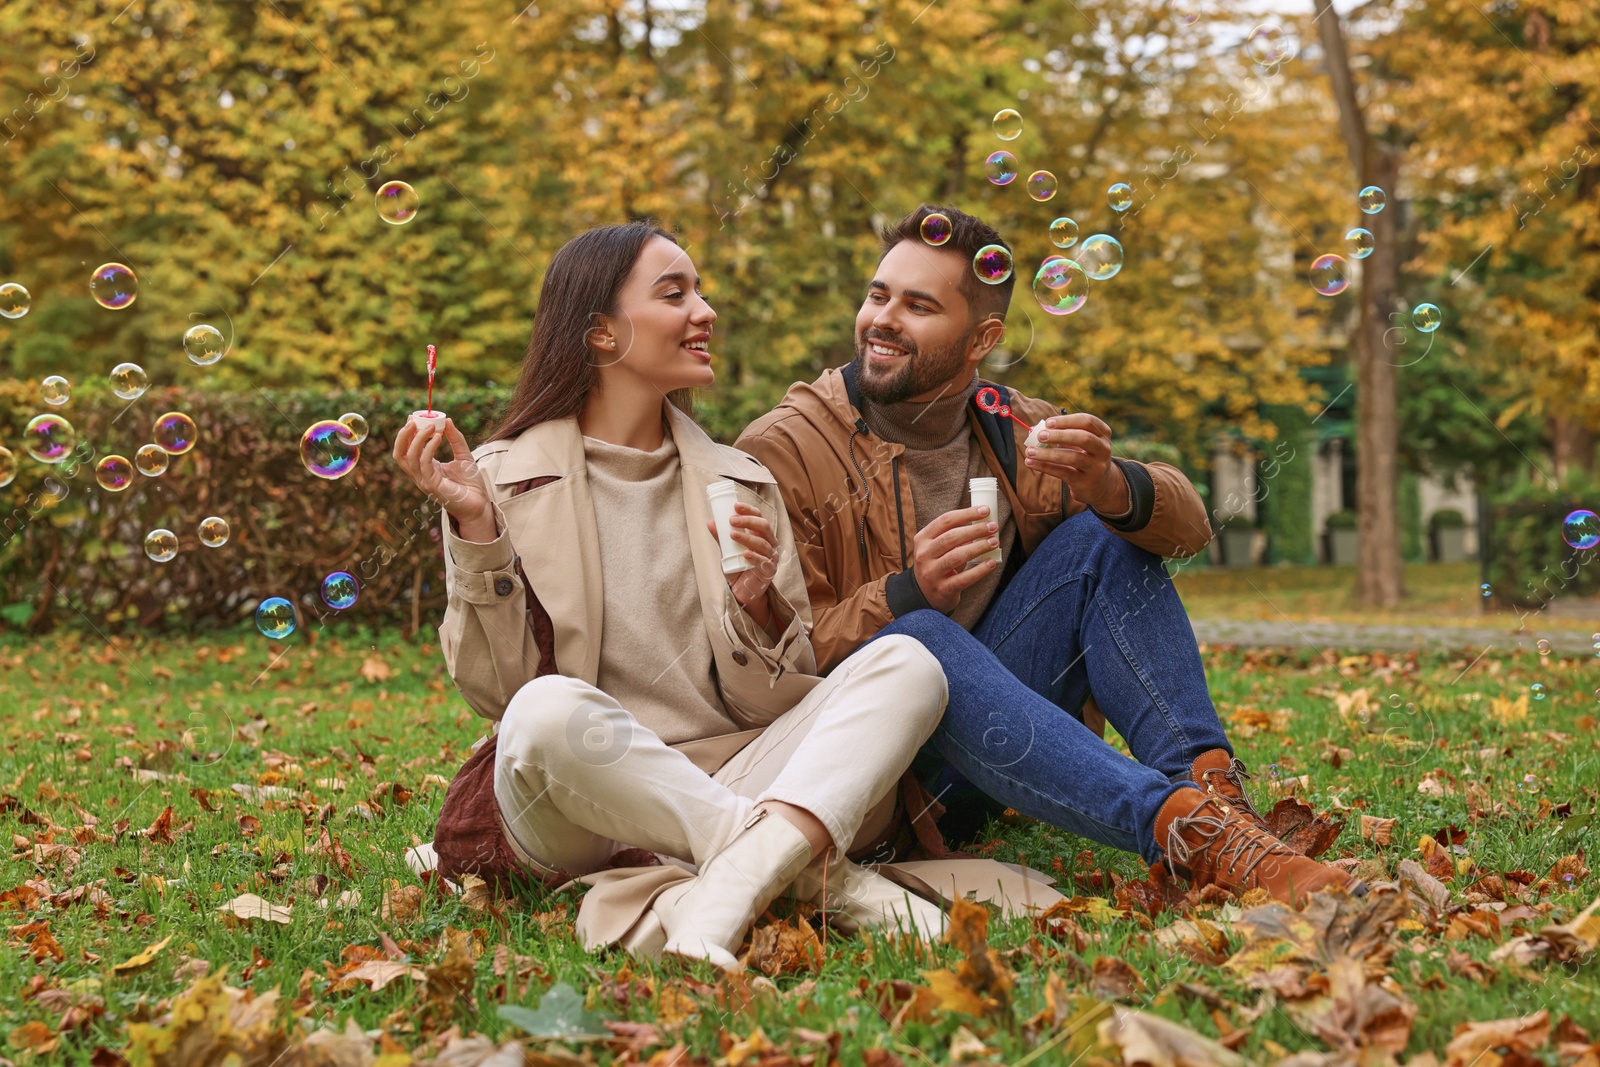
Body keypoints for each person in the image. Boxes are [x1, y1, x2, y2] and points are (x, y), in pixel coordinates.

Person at [736, 204, 1363, 905]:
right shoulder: (784, 448)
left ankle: (1218, 802)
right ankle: (1188, 833)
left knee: (1104, 534)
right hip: (888, 781)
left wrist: (1108, 484)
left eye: (918, 305)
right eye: (878, 295)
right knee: (920, 639)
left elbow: (1187, 531)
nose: (882, 319)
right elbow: (769, 666)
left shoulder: (1014, 425)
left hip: (1005, 743)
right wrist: (906, 592)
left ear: (982, 338)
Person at [393, 221, 949, 969]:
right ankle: (817, 875)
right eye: (674, 292)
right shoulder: (494, 481)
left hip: (739, 769)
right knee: (544, 707)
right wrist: (476, 529)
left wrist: (759, 604)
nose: (705, 310)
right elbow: (499, 693)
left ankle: (727, 885)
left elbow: (768, 701)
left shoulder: (741, 480)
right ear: (600, 333)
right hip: (584, 799)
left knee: (910, 661)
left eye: (701, 289)